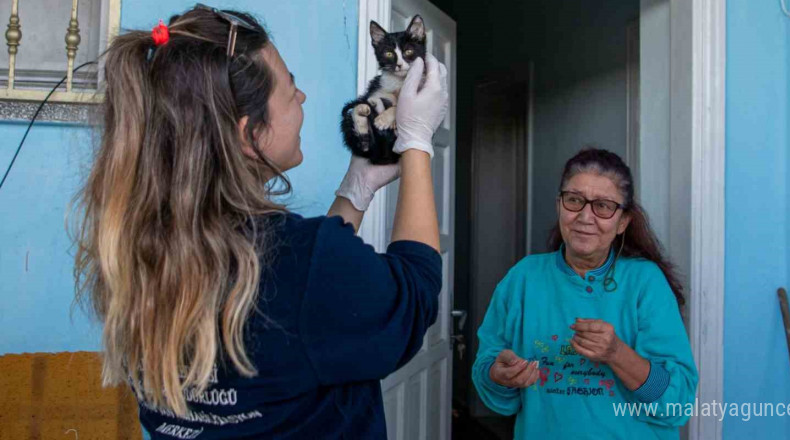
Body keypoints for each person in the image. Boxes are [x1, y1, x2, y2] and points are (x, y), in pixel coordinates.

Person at [71, 5, 448, 439]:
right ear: (250, 134)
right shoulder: (300, 260)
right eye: (291, 89)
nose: (302, 97)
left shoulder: (139, 252)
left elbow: (302, 308)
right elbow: (414, 294)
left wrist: (353, 194)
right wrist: (416, 142)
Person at [471, 148, 698, 438]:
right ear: (559, 205)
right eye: (575, 200)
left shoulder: (645, 282)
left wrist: (617, 353)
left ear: (623, 221)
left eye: (603, 206)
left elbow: (677, 403)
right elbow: (492, 377)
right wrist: (497, 375)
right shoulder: (524, 278)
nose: (585, 217)